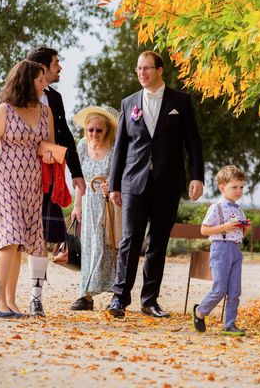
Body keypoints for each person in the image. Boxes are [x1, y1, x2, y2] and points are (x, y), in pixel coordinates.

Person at [108, 50, 204, 318]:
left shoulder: (180, 102)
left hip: (168, 183)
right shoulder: (128, 103)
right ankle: (119, 299)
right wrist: (114, 184)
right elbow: (120, 147)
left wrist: (197, 176)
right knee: (129, 240)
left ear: (160, 70)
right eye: (138, 69)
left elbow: (193, 143)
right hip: (133, 182)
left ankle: (150, 301)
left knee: (158, 242)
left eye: (147, 68)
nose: (142, 73)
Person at [0, 60, 50, 319]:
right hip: (6, 180)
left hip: (33, 183)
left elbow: (48, 146)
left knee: (20, 243)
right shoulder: (3, 111)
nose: (44, 83)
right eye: (40, 80)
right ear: (26, 81)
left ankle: (10, 301)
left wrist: (54, 157)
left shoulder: (44, 111)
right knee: (10, 236)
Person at [24, 47, 86, 317]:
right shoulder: (19, 95)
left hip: (49, 177)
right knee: (11, 239)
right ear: (40, 66)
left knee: (40, 239)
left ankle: (35, 298)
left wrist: (77, 173)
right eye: (56, 63)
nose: (60, 68)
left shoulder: (55, 98)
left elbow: (65, 136)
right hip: (21, 176)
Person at [69, 106, 121, 310]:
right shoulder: (82, 145)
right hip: (89, 200)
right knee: (90, 247)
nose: (94, 134)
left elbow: (122, 172)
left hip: (108, 202)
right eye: (91, 129)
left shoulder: (115, 146)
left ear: (106, 130)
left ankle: (115, 294)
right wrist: (76, 206)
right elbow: (79, 179)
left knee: (108, 246)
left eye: (99, 130)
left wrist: (113, 183)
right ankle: (86, 295)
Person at [192, 165, 250, 336]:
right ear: (223, 187)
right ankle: (200, 312)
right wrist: (225, 227)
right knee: (220, 289)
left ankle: (229, 324)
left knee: (235, 291)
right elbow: (204, 230)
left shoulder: (239, 209)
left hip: (236, 251)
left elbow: (239, 234)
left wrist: (246, 228)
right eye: (234, 187)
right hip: (220, 250)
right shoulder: (216, 208)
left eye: (241, 187)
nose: (238, 191)